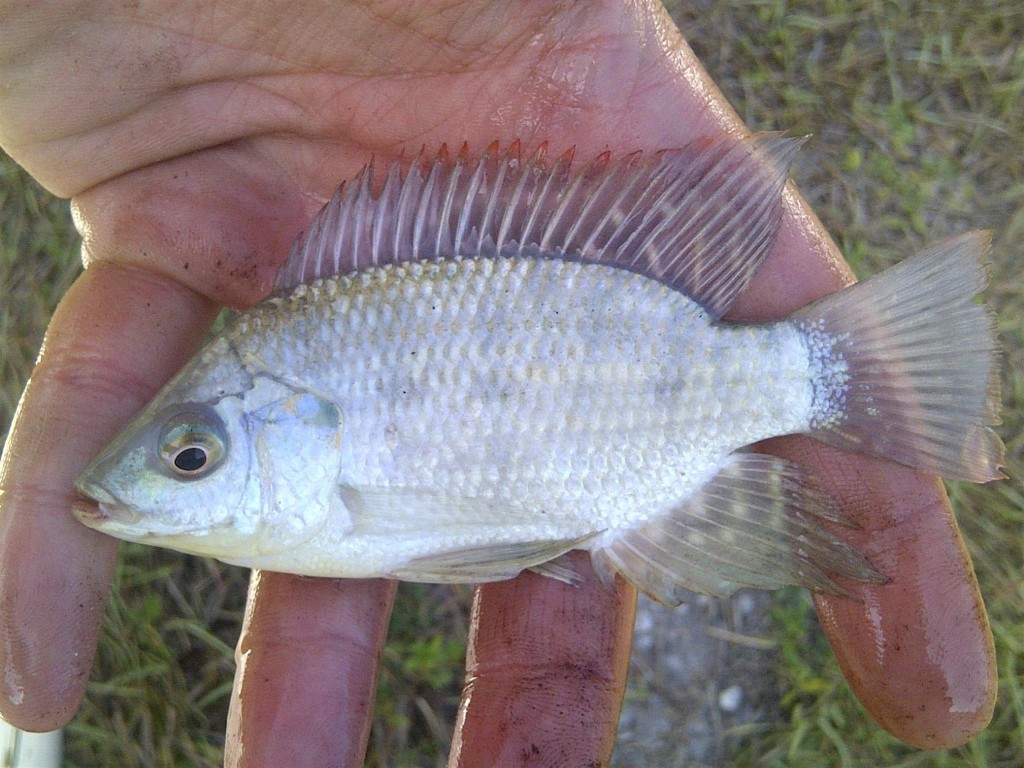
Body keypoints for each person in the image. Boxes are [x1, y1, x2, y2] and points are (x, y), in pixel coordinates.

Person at [0, 1, 996, 765]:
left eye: (190, 455)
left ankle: (826, 370)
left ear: (294, 421)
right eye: (189, 454)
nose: (165, 476)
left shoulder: (312, 412)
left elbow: (471, 545)